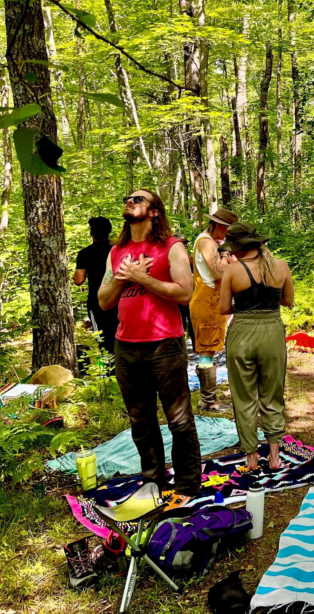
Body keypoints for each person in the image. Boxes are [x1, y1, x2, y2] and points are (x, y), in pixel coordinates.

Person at [98, 190, 201, 502]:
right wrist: (122, 278)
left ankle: (186, 486)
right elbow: (104, 301)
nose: (130, 200)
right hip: (126, 347)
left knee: (179, 420)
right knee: (140, 420)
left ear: (155, 211)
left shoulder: (172, 247)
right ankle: (153, 481)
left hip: (164, 344)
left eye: (139, 199)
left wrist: (144, 278)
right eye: (127, 198)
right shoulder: (116, 251)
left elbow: (185, 293)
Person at [219, 222, 295, 470]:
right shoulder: (281, 266)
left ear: (238, 247)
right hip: (272, 332)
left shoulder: (232, 271)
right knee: (273, 394)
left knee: (244, 397)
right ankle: (274, 456)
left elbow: (223, 309)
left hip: (241, 332)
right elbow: (288, 301)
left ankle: (251, 457)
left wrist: (243, 306)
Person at [190, 208, 239, 411]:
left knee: (208, 347)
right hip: (208, 298)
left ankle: (208, 398)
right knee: (207, 349)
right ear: (220, 225)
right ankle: (209, 400)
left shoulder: (208, 241)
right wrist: (226, 255)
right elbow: (218, 272)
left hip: (211, 297)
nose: (227, 234)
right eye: (227, 229)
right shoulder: (207, 242)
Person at [74, 216, 119, 357]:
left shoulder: (85, 253)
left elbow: (78, 280)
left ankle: (109, 372)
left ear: (91, 233)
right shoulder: (118, 250)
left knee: (103, 339)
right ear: (109, 231)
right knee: (121, 335)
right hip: (119, 298)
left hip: (96, 302)